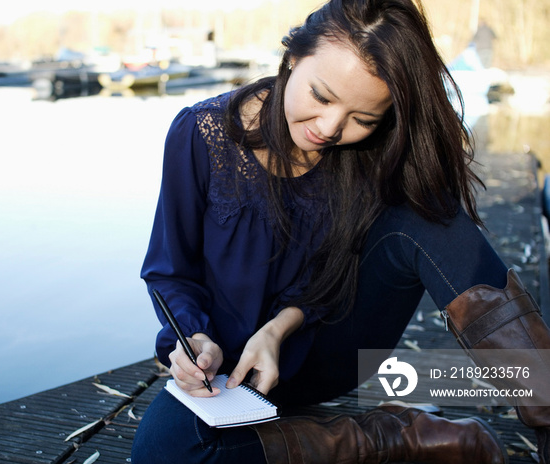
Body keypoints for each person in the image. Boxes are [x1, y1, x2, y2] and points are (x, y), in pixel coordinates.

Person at [131, 0, 550, 462]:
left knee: (428, 212)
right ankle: (394, 437)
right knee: (162, 450)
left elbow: (340, 276)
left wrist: (277, 329)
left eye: (363, 119)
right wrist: (195, 339)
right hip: (230, 371)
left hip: (328, 348)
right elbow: (170, 272)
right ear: (293, 57)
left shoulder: (372, 151)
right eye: (322, 96)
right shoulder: (201, 133)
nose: (331, 128)